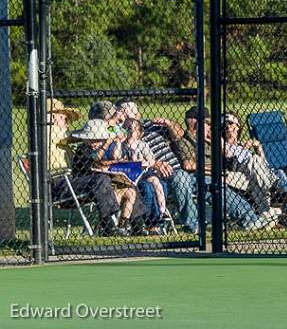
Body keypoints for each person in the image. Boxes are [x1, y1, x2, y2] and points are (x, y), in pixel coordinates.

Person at [151, 106, 274, 234]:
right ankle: (252, 217)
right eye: (207, 124)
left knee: (226, 186)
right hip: (197, 177)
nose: (211, 127)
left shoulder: (211, 140)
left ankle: (253, 218)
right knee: (216, 186)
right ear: (197, 125)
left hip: (224, 174)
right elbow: (188, 165)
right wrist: (214, 170)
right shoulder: (185, 141)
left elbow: (227, 155)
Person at [45, 99, 131, 237]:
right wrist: (110, 122)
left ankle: (133, 225)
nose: (68, 122)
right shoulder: (48, 132)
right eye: (64, 118)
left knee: (120, 183)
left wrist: (111, 126)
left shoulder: (59, 137)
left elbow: (121, 133)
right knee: (100, 179)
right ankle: (109, 227)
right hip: (57, 185)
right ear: (52, 117)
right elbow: (79, 135)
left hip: (69, 182)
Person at [222, 111, 287, 226]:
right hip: (247, 176)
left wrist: (258, 147)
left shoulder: (243, 145)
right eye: (225, 126)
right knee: (278, 172)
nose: (228, 127)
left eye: (231, 123)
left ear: (238, 126)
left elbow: (263, 163)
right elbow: (230, 157)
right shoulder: (224, 146)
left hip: (264, 172)